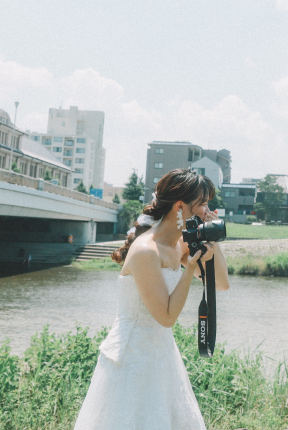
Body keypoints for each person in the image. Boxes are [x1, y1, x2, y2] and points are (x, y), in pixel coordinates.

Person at [74, 169, 229, 430]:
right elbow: (166, 317)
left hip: (162, 354)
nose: (207, 210)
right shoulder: (146, 250)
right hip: (131, 358)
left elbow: (221, 284)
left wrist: (214, 240)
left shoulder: (178, 244)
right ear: (180, 206)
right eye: (202, 204)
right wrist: (189, 269)